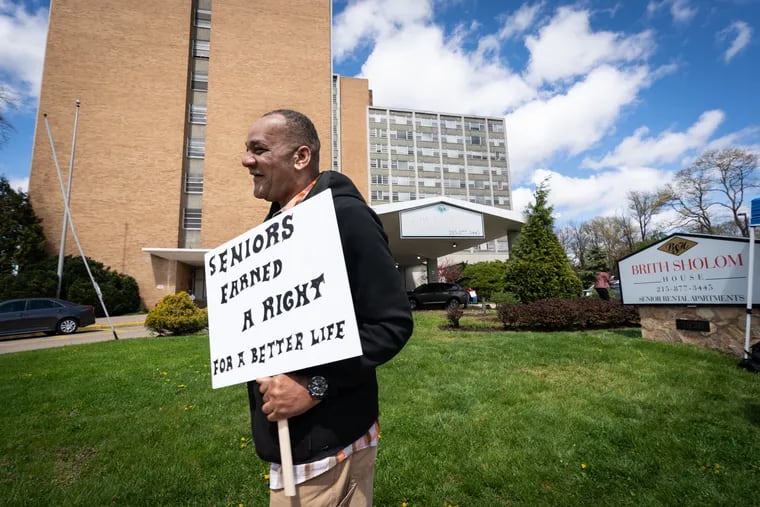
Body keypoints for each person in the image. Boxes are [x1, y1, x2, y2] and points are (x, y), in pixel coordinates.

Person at [240, 109, 413, 506]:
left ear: (301, 157)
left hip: (329, 450)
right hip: (292, 446)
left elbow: (390, 324)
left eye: (259, 149)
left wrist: (316, 385)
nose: (246, 160)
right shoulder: (273, 228)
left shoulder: (347, 217)